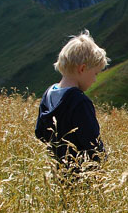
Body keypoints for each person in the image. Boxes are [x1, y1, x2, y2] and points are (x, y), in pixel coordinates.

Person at [35, 30, 109, 170]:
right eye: (95, 74)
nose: (94, 80)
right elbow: (92, 142)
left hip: (56, 170)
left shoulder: (49, 94)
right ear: (82, 69)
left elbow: (39, 133)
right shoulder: (79, 102)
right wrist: (103, 161)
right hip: (81, 173)